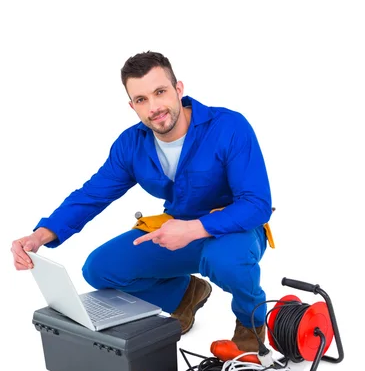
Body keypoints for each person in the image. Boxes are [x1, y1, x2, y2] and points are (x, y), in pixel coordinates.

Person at [11, 51, 273, 352]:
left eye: (160, 92)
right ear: (132, 105)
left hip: (235, 229)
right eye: (141, 100)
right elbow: (92, 194)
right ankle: (185, 294)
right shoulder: (131, 144)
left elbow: (256, 204)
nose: (154, 107)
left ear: (178, 89)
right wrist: (41, 235)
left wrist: (192, 229)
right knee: (99, 269)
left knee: (224, 260)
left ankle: (250, 321)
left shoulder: (228, 127)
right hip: (175, 230)